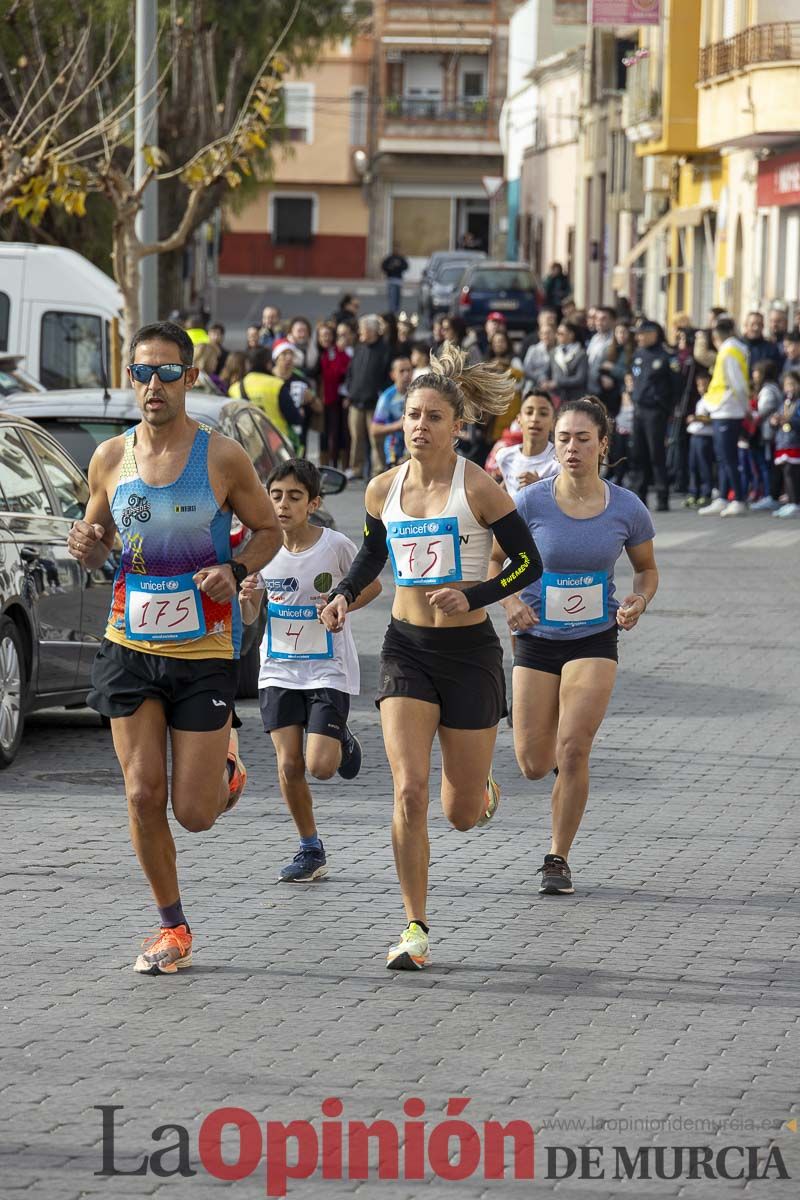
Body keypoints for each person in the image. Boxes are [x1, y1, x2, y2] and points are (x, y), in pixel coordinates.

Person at [66, 321, 282, 973]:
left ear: (190, 379)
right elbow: (102, 543)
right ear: (129, 380)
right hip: (128, 641)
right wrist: (88, 547)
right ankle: (173, 928)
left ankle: (225, 769)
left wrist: (237, 569)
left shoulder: (221, 458)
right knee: (140, 793)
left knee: (195, 813)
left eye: (166, 372)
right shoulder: (110, 459)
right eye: (141, 373)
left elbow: (268, 531)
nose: (152, 385)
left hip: (204, 648)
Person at [320, 345, 543, 970]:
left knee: (461, 813)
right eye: (413, 414)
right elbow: (371, 558)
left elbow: (530, 563)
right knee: (409, 791)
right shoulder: (381, 489)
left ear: (457, 426)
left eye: (433, 417)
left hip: (469, 653)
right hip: (406, 649)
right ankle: (414, 927)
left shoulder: (480, 488)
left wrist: (474, 593)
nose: (419, 426)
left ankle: (481, 790)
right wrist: (341, 595)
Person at [492, 396, 658, 896]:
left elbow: (647, 570)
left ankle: (557, 857)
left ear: (603, 445)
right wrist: (511, 602)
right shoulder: (529, 501)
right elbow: (494, 561)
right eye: (564, 439)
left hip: (595, 637)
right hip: (536, 638)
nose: (571, 448)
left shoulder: (627, 507)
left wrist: (638, 600)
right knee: (533, 763)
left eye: (583, 439)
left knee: (574, 747)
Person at [239, 460, 382, 882]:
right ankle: (309, 847)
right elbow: (250, 618)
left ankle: (342, 739)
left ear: (313, 503)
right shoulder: (261, 548)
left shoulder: (335, 545)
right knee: (288, 766)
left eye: (295, 497)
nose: (283, 504)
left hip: (327, 669)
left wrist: (342, 605)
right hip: (278, 669)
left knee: (320, 766)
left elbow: (371, 584)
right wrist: (248, 596)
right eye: (277, 495)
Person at [698, 317, 750, 517]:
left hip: (729, 409)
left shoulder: (729, 351)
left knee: (728, 457)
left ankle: (738, 498)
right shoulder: (731, 348)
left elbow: (737, 383)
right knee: (722, 457)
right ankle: (722, 497)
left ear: (716, 334)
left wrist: (745, 408)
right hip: (723, 408)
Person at [629, 319, 677, 512]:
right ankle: (639, 497)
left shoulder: (666, 357)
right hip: (639, 409)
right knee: (638, 454)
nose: (638, 337)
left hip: (655, 412)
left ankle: (662, 496)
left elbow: (676, 386)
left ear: (653, 333)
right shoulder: (638, 354)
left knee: (656, 454)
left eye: (642, 333)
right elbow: (633, 377)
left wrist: (664, 406)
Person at [228, 345, 304, 448]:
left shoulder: (234, 389)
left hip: (246, 444)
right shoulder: (277, 384)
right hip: (276, 444)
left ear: (248, 364)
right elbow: (294, 418)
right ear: (268, 364)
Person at [345, 315, 392, 479]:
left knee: (376, 438)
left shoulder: (384, 349)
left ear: (372, 331)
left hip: (375, 403)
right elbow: (350, 371)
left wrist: (381, 394)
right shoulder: (359, 347)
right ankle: (356, 468)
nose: (360, 333)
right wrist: (349, 391)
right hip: (356, 401)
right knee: (356, 437)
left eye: (363, 330)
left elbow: (387, 375)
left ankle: (378, 470)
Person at [495, 389, 559, 497]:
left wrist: (540, 489)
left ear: (553, 422)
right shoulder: (504, 456)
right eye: (529, 412)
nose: (535, 419)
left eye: (543, 414)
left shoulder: (560, 462)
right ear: (519, 419)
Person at [315, 321, 351, 468]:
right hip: (317, 397)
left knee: (334, 432)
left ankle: (333, 465)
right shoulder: (315, 352)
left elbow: (340, 371)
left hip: (332, 398)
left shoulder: (335, 351)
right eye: (323, 335)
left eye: (329, 335)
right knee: (323, 432)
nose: (326, 338)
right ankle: (326, 464)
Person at [371, 355, 412, 472]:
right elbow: (374, 429)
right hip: (393, 448)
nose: (406, 374)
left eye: (409, 370)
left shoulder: (418, 393)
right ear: (393, 375)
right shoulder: (386, 397)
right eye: (402, 371)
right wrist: (399, 425)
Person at [770, 369, 800, 518]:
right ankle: (790, 502)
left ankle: (796, 503)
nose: (790, 387)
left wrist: (790, 420)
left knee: (792, 473)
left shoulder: (799, 403)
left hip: (795, 443)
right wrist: (774, 421)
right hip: (783, 442)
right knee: (785, 473)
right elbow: (777, 421)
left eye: (793, 384)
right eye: (787, 384)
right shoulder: (784, 403)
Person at [683, 368, 714, 508]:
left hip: (705, 436)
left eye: (704, 384)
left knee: (704, 466)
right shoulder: (701, 400)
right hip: (695, 435)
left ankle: (706, 493)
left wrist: (696, 418)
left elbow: (712, 418)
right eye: (699, 385)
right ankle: (693, 492)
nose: (701, 388)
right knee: (693, 466)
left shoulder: (712, 399)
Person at [544, 321, 588, 404]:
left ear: (571, 335)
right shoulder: (553, 352)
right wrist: (543, 380)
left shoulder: (581, 354)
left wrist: (558, 382)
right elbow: (546, 371)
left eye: (561, 333)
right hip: (556, 396)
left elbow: (580, 378)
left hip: (575, 397)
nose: (557, 336)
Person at [586, 307, 615, 394]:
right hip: (590, 387)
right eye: (597, 319)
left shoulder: (616, 340)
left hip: (607, 390)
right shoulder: (595, 338)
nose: (599, 322)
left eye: (603, 319)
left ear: (613, 321)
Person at [522, 323, 556, 389]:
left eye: (549, 333)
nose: (546, 336)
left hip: (554, 387)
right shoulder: (533, 349)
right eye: (543, 333)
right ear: (539, 335)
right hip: (534, 385)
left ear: (554, 334)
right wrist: (540, 379)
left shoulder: (559, 350)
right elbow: (526, 370)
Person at [381, 248, 409, 314]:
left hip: (398, 279)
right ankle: (392, 310)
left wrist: (399, 268)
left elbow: (406, 266)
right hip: (391, 279)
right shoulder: (389, 258)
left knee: (398, 296)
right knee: (392, 295)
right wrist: (389, 269)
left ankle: (396, 309)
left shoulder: (401, 258)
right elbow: (383, 266)